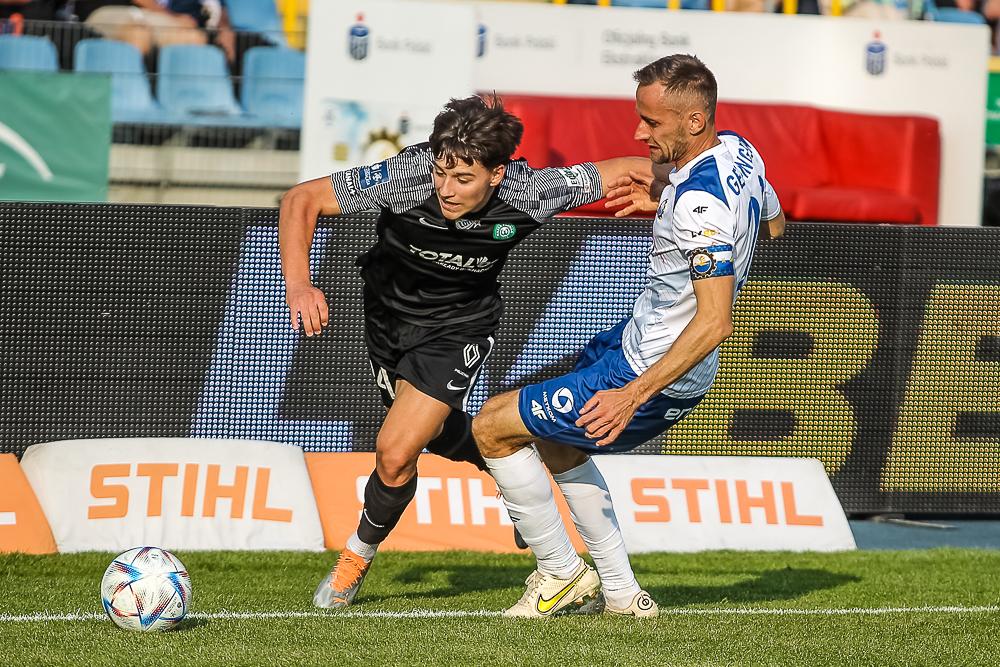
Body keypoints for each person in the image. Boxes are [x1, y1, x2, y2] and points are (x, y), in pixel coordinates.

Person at [278, 94, 652, 610]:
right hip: (387, 323)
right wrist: (299, 284)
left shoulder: (531, 191)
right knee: (426, 438)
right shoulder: (405, 175)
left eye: (463, 179)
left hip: (459, 329)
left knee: (395, 452)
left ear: (497, 175)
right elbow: (301, 199)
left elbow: (626, 168)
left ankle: (356, 556)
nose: (446, 189)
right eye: (441, 173)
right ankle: (512, 474)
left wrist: (690, 190)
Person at [471, 54, 786, 618]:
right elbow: (774, 225)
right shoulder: (741, 151)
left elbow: (715, 322)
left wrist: (631, 395)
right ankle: (620, 593)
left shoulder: (699, 204)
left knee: (492, 426)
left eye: (652, 122)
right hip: (637, 340)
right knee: (555, 440)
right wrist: (670, 205)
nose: (639, 133)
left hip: (651, 370)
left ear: (694, 121)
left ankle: (560, 573)